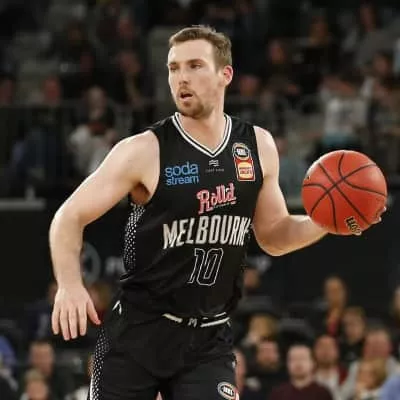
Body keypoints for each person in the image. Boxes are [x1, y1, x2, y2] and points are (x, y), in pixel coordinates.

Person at [49, 26, 382, 400]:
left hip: (208, 338)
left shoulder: (257, 145)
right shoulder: (144, 150)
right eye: (174, 68)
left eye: (194, 65)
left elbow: (274, 236)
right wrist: (70, 284)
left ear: (225, 74)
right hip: (137, 334)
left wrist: (324, 222)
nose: (181, 77)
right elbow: (69, 217)